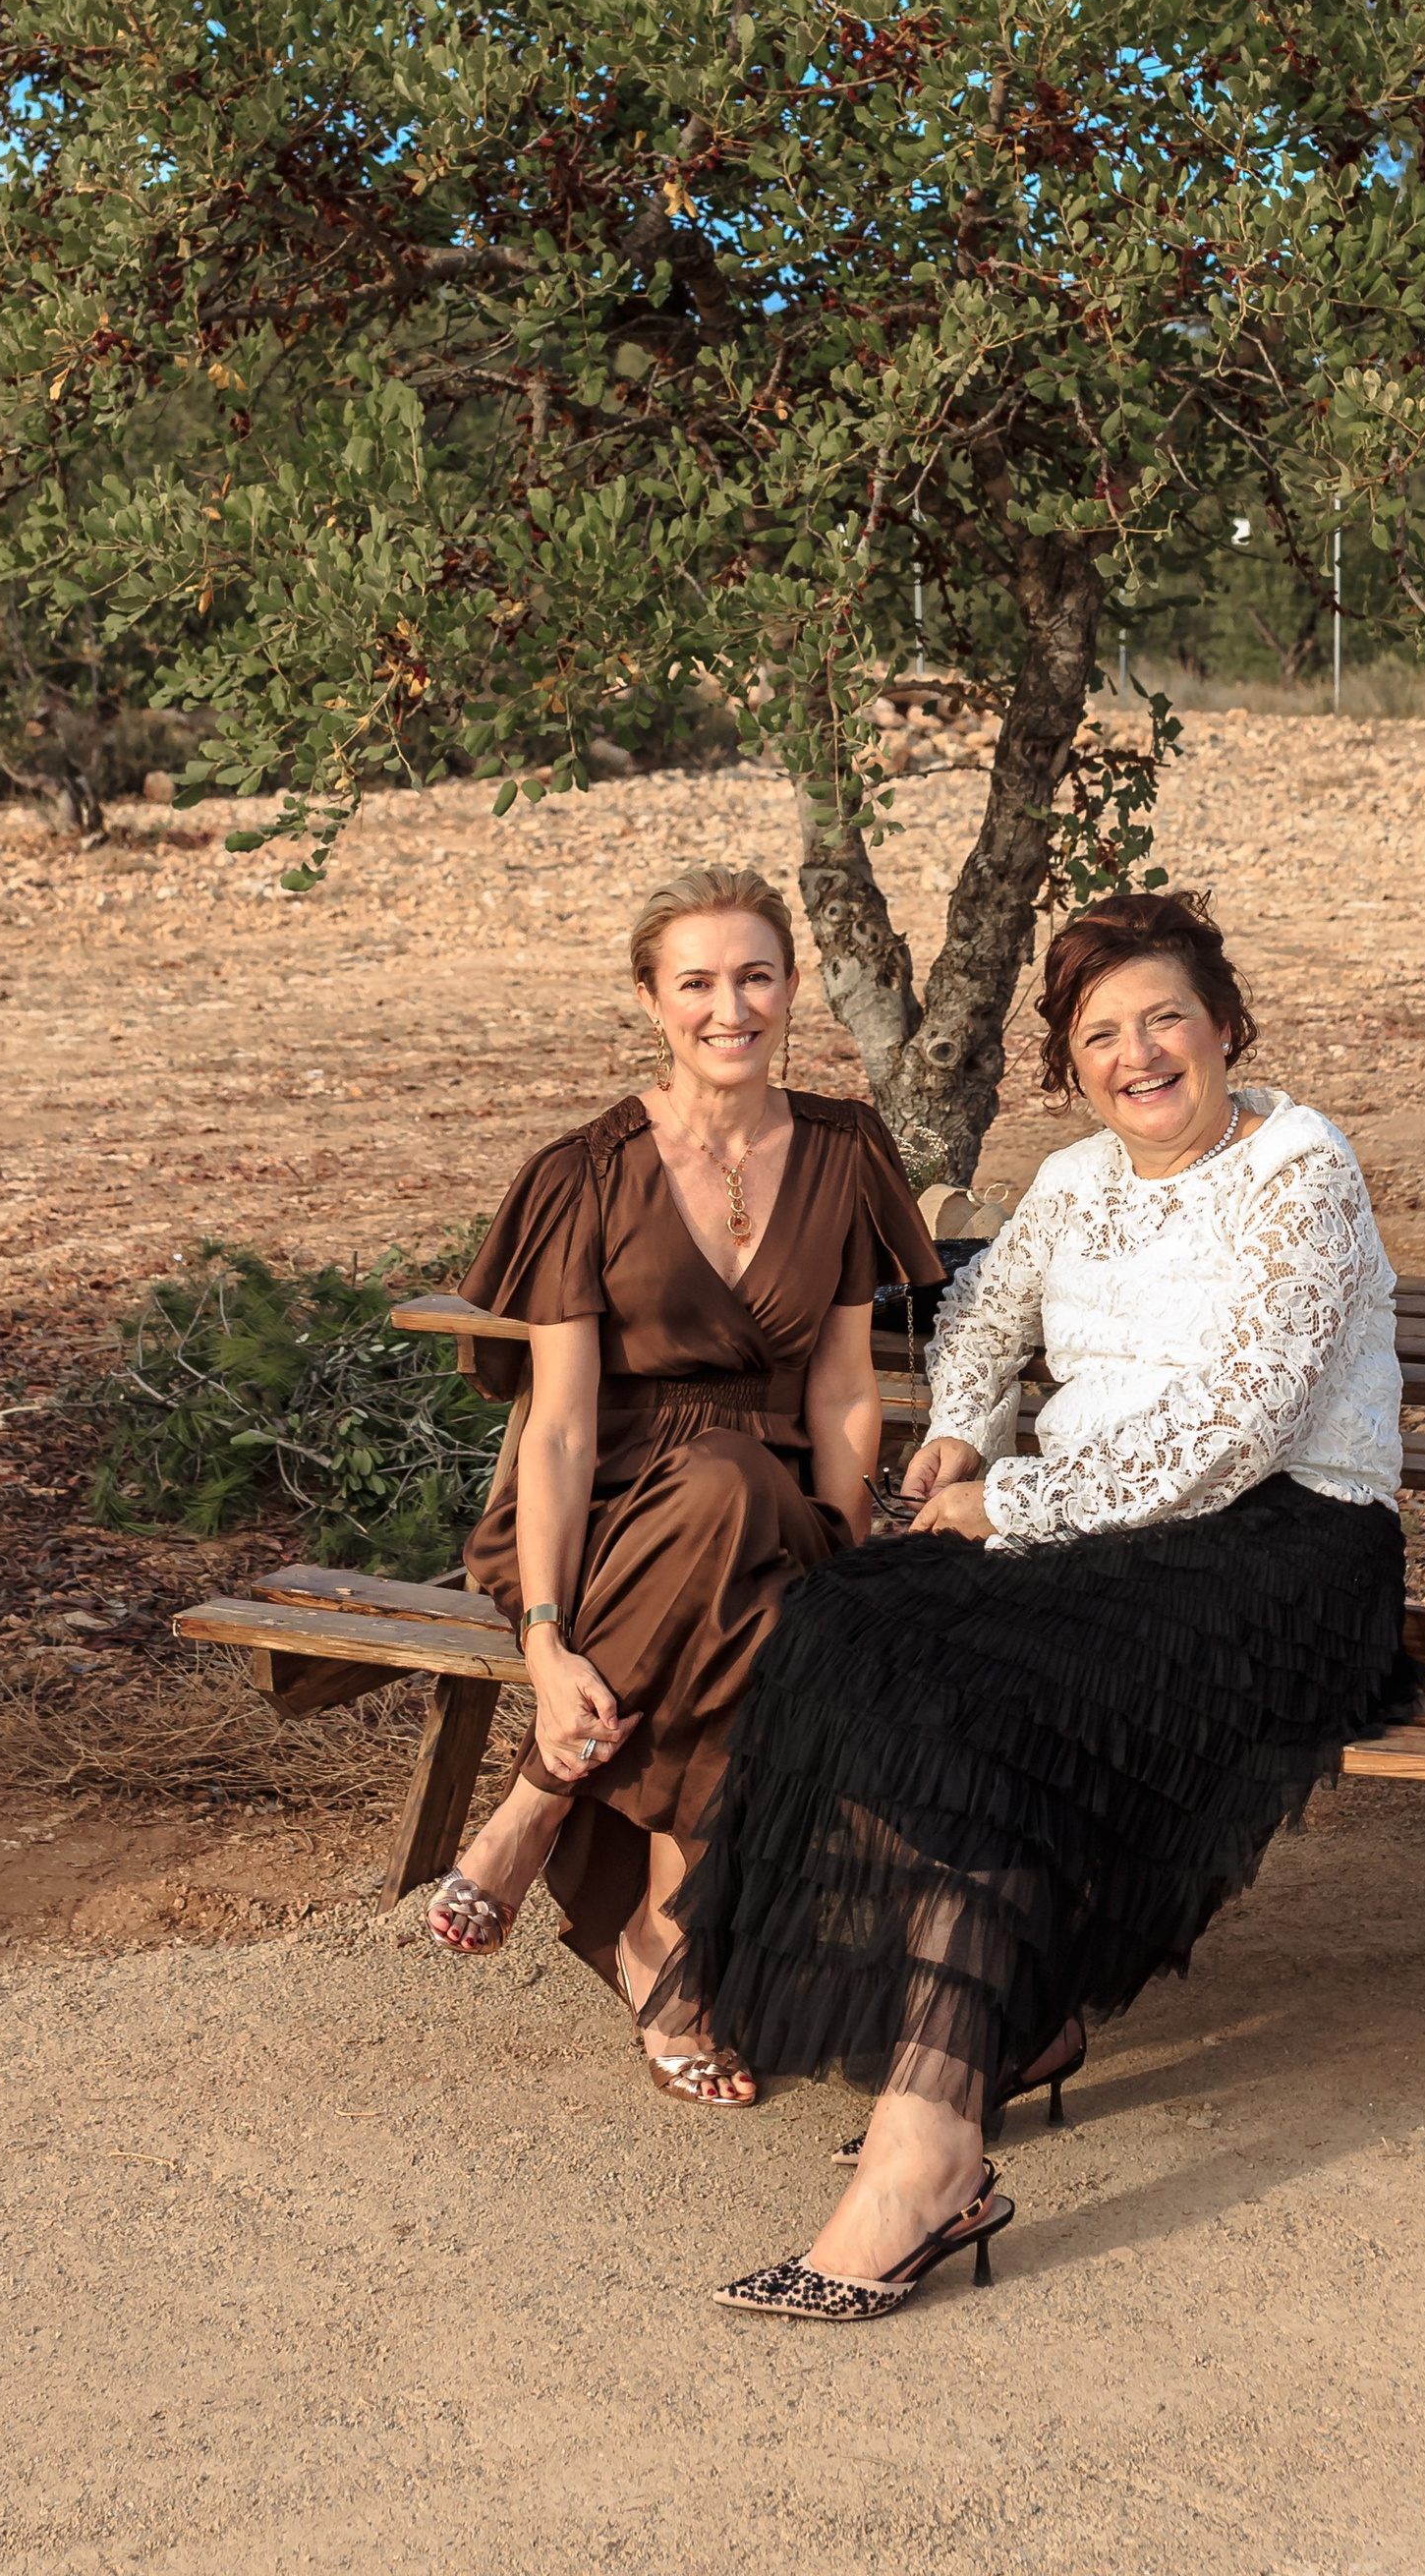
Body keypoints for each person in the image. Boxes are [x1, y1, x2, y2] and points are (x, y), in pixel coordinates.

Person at [658, 884, 1418, 2314]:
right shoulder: (1071, 1186)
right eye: (1098, 1035)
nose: (1137, 1055)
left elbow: (1240, 1428)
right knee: (839, 1628)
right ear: (1067, 1066)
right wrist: (961, 1433)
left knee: (992, 1698)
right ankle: (1010, 2008)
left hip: (1287, 1549)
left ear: (1226, 1026)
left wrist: (1012, 1504)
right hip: (1098, 1538)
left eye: (1164, 1021)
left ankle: (931, 2156)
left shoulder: (1300, 1164)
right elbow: (981, 1326)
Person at [427, 860, 941, 2107]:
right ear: (651, 999)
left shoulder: (841, 1149)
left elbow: (840, 1391)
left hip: (778, 1509)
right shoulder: (584, 1174)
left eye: (756, 976)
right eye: (698, 981)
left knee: (764, 1576)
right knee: (724, 1511)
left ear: (791, 987)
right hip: (601, 1520)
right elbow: (553, 1431)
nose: (731, 1007)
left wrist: (861, 1563)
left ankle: (549, 1813)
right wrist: (546, 1644)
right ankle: (660, 1928)